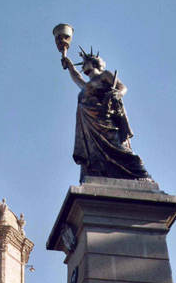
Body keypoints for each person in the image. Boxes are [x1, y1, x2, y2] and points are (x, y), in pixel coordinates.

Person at [62, 48, 152, 182]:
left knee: (117, 147)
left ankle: (141, 174)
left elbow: (122, 87)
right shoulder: (86, 85)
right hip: (89, 122)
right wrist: (68, 63)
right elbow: (77, 78)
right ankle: (98, 174)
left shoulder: (104, 75)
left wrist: (117, 93)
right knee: (93, 155)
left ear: (93, 64)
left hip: (103, 119)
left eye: (85, 63)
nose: (82, 66)